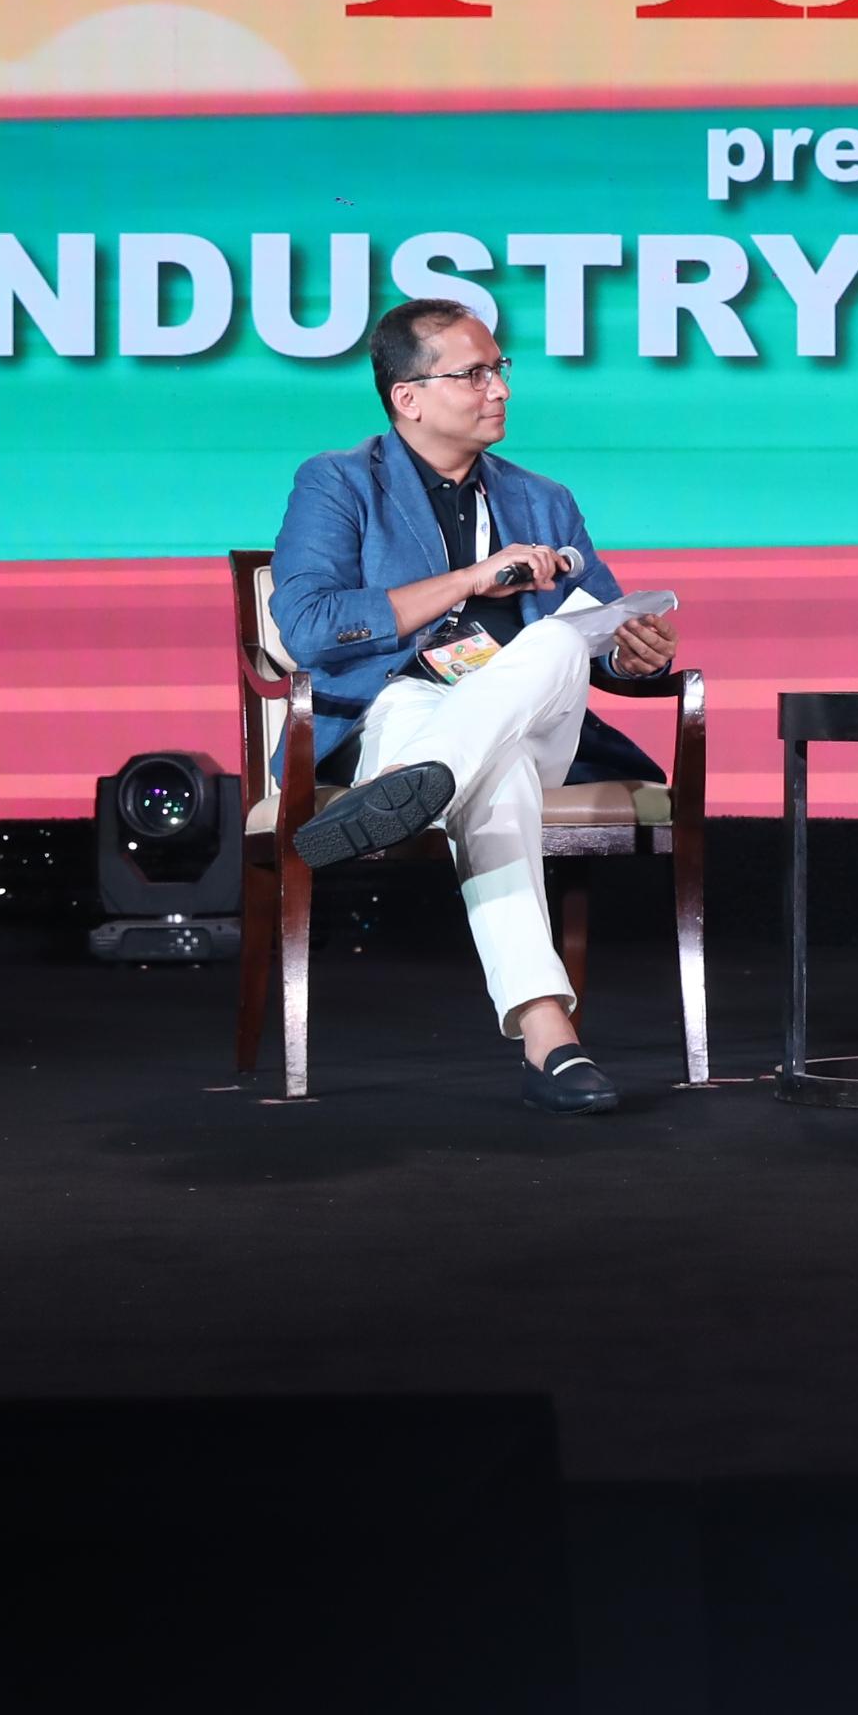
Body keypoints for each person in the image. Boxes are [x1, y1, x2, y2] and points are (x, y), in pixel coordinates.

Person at [267, 298, 681, 1114]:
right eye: (475, 374)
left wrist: (634, 654)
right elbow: (308, 625)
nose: (500, 390)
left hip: (528, 717)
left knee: (556, 644)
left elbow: (595, 629)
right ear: (408, 397)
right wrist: (468, 580)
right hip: (399, 709)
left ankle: (418, 781)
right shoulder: (339, 481)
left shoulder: (543, 498)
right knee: (498, 773)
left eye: (501, 370)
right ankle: (549, 1038)